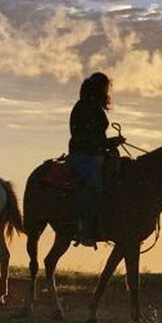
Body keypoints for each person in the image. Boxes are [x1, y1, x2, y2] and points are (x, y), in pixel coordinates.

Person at [67, 72, 125, 247]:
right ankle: (83, 227)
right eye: (106, 88)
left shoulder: (91, 106)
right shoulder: (85, 107)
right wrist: (108, 143)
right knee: (94, 181)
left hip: (94, 153)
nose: (108, 93)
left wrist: (107, 145)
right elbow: (84, 137)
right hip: (82, 155)